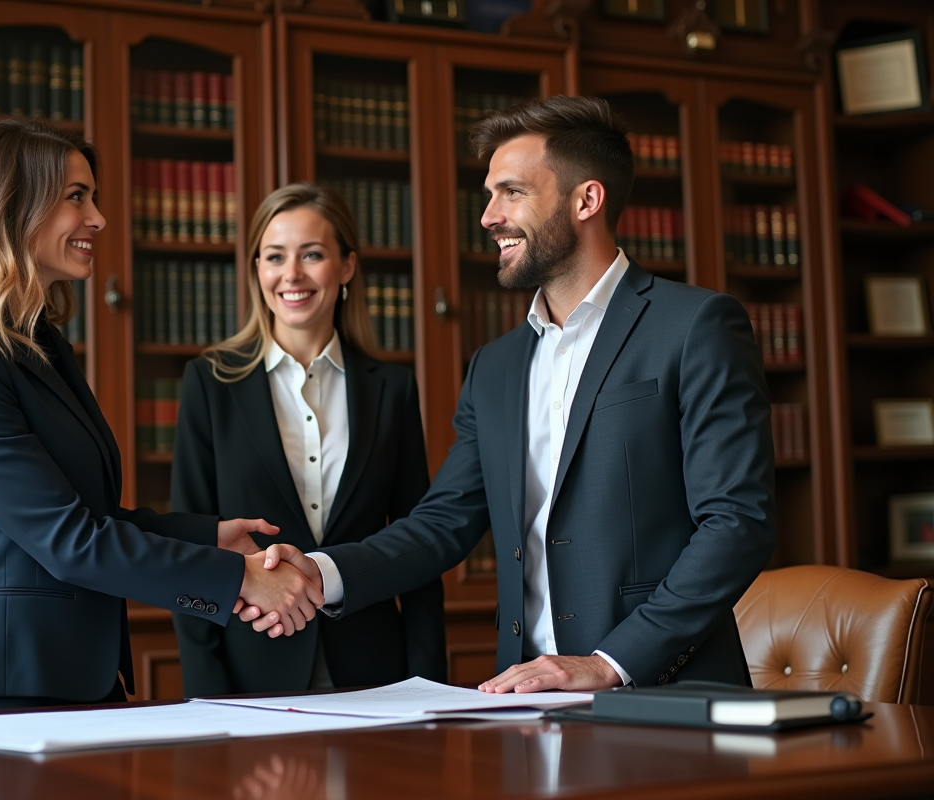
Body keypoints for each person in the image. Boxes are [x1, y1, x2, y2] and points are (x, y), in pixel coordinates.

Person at [246, 95, 776, 693]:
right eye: (489, 196)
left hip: (667, 698)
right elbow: (443, 522)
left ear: (586, 200)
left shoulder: (696, 325)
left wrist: (609, 663)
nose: (489, 217)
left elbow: (736, 523)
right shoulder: (494, 367)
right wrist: (321, 573)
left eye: (512, 192)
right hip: (522, 700)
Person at [0, 119, 322, 713]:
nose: (99, 219)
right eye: (75, 197)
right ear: (13, 209)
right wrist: (238, 578)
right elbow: (67, 540)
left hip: (77, 681)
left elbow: (88, 514)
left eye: (94, 197)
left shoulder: (40, 343)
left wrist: (212, 537)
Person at [170, 183, 446, 697]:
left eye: (312, 254)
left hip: (377, 674)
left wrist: (430, 685)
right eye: (275, 256)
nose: (291, 274)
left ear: (345, 267)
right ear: (257, 270)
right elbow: (193, 545)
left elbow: (420, 544)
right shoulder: (210, 383)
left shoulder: (393, 389)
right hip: (250, 672)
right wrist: (206, 692)